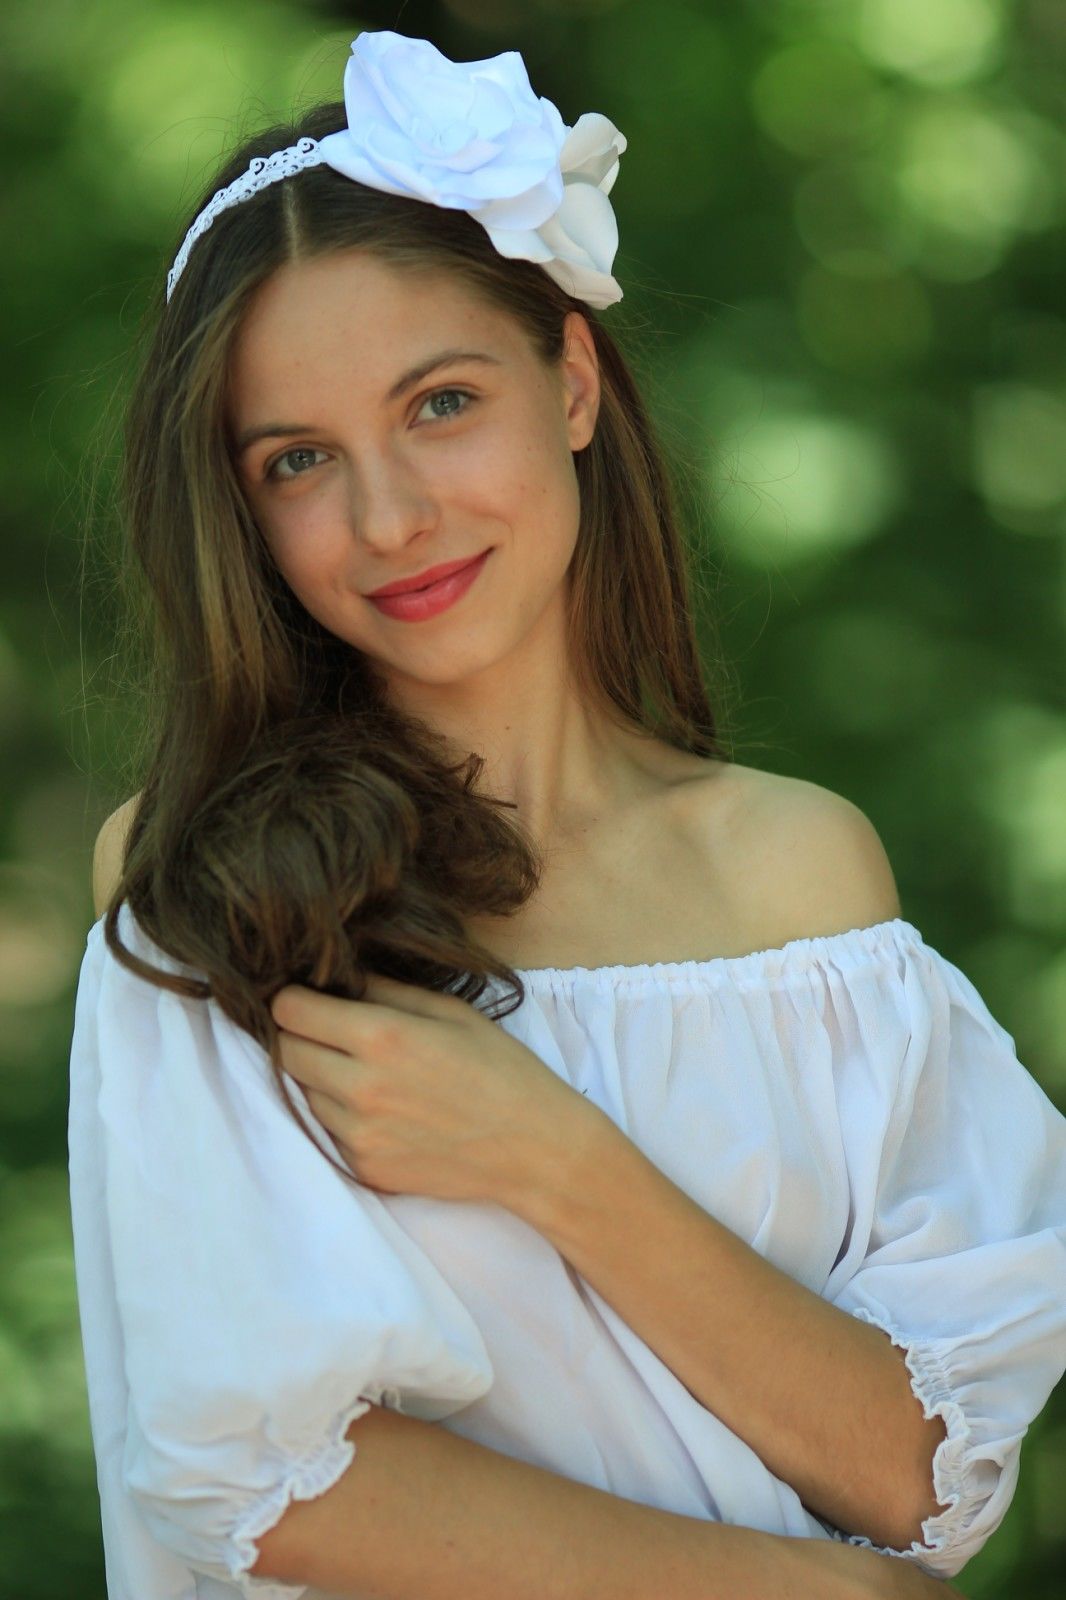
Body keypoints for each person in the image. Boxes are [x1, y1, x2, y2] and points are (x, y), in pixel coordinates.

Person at [69, 27, 1066, 1600]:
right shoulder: (207, 879)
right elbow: (255, 1477)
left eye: (441, 403)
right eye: (299, 460)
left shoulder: (796, 871)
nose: (389, 516)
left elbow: (920, 1477)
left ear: (575, 384)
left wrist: (549, 1157)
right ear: (240, 513)